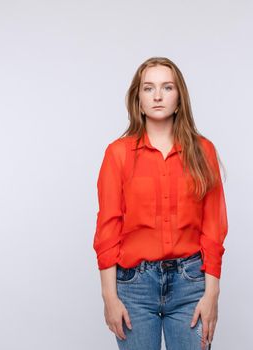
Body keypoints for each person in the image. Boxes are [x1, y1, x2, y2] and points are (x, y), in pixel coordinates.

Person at [92, 57, 228, 350]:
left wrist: (212, 293)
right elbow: (108, 228)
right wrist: (109, 297)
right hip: (134, 287)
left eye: (167, 87)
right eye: (148, 88)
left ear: (179, 99)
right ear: (138, 100)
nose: (157, 95)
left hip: (190, 283)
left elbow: (213, 226)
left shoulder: (203, 151)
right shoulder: (117, 154)